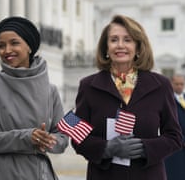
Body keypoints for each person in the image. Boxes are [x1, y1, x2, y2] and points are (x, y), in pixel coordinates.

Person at [71, 14, 182, 180]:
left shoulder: (161, 85)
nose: (120, 45)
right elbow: (77, 137)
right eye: (114, 40)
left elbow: (175, 137)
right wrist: (106, 148)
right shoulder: (88, 86)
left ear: (138, 47)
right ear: (106, 48)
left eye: (127, 40)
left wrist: (145, 148)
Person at [0, 16, 68, 180]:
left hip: (40, 173)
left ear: (30, 47)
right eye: (1, 46)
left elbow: (63, 139)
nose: (7, 50)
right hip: (1, 174)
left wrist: (46, 140)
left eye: (14, 43)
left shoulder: (51, 90)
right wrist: (27, 137)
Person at [165, 74, 185, 180]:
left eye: (181, 84)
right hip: (175, 148)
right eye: (176, 84)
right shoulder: (167, 100)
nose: (179, 86)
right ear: (171, 84)